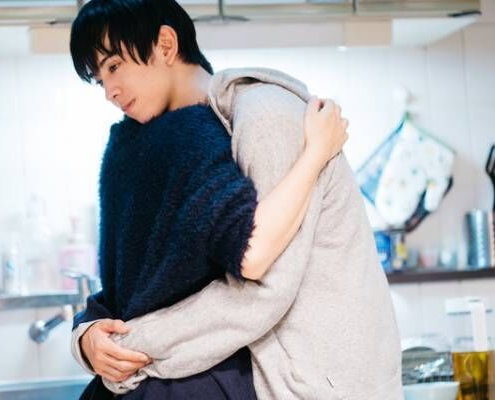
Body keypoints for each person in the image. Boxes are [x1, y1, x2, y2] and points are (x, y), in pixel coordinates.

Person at [69, 0, 402, 399]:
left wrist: (131, 346)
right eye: (99, 79)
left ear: (166, 45)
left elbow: (261, 281)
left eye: (114, 66)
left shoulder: (264, 114)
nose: (109, 91)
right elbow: (147, 280)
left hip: (317, 383)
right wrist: (89, 336)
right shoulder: (183, 138)